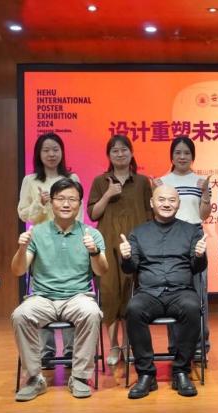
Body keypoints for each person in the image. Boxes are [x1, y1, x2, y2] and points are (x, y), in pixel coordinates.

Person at [11, 178, 109, 401]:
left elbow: (102, 270)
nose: (66, 204)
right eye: (60, 199)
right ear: (51, 202)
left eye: (72, 199)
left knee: (92, 312)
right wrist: (22, 248)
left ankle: (80, 377)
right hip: (42, 297)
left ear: (80, 203)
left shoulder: (91, 234)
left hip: (78, 297)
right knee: (20, 315)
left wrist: (94, 252)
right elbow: (18, 270)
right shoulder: (37, 233)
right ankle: (35, 378)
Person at [120, 185, 207, 399]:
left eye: (172, 200)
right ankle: (146, 374)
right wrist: (126, 257)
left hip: (181, 291)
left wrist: (199, 256)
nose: (166, 204)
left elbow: (197, 268)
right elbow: (130, 269)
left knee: (192, 307)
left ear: (178, 204)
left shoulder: (192, 231)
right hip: (149, 293)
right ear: (152, 203)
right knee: (134, 309)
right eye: (161, 200)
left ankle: (181, 371)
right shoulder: (138, 233)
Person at [87, 135, 153, 366]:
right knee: (109, 294)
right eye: (114, 150)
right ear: (109, 155)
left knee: (132, 294)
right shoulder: (100, 181)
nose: (120, 154)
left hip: (136, 246)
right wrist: (108, 194)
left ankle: (128, 344)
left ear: (131, 153)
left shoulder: (143, 182)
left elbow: (150, 215)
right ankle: (114, 345)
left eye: (124, 149)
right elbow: (93, 214)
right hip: (107, 246)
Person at [17, 132, 82, 364]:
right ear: (39, 154)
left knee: (73, 292)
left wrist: (77, 241)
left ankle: (71, 349)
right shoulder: (30, 180)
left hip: (69, 241)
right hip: (42, 243)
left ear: (62, 152)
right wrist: (40, 203)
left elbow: (78, 213)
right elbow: (24, 214)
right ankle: (46, 350)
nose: (51, 154)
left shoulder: (72, 177)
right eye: (46, 150)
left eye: (55, 149)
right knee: (42, 294)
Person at [155, 136, 212, 355]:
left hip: (195, 237)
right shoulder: (162, 182)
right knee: (171, 290)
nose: (182, 157)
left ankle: (200, 345)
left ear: (193, 156)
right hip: (168, 238)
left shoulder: (200, 181)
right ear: (171, 156)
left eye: (187, 153)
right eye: (177, 153)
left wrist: (205, 193)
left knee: (199, 292)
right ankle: (175, 346)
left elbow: (203, 215)